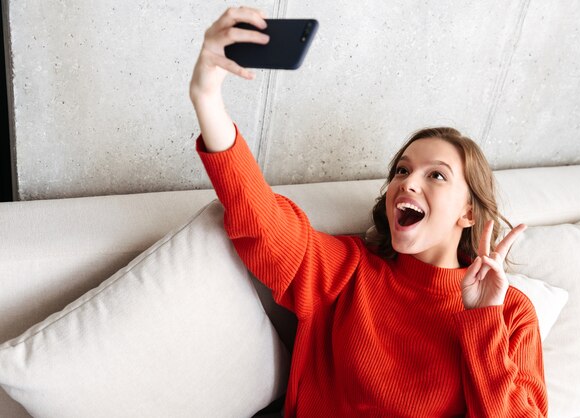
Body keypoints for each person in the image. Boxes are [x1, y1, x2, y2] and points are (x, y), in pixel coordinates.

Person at [190, 6, 548, 417]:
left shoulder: (511, 312)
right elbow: (262, 219)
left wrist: (484, 320)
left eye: (437, 176)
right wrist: (207, 97)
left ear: (468, 212)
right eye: (402, 170)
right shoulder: (350, 271)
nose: (408, 183)